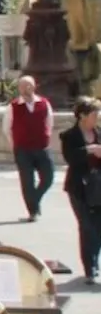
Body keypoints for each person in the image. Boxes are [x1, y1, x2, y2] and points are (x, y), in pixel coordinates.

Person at [60, 97, 101, 284]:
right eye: (94, 113)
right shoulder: (69, 136)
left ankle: (94, 259)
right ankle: (90, 268)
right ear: (82, 116)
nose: (98, 117)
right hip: (79, 187)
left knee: (98, 227)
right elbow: (70, 158)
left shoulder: (99, 132)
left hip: (98, 186)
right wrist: (89, 150)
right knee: (87, 227)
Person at [4, 75, 54, 221]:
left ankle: (35, 200)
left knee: (48, 177)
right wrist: (16, 143)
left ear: (34, 86)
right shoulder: (13, 106)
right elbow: (7, 128)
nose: (26, 89)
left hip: (42, 148)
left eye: (29, 85)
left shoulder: (44, 103)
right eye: (23, 86)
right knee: (27, 181)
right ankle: (33, 212)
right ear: (18, 88)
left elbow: (49, 123)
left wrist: (45, 138)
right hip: (22, 149)